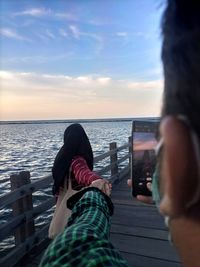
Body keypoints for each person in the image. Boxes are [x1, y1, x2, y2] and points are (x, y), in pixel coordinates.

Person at [41, 1, 200, 266]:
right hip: (77, 213)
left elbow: (74, 251)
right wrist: (96, 188)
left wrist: (167, 196)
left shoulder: (61, 161)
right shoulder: (77, 160)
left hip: (68, 219)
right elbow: (85, 174)